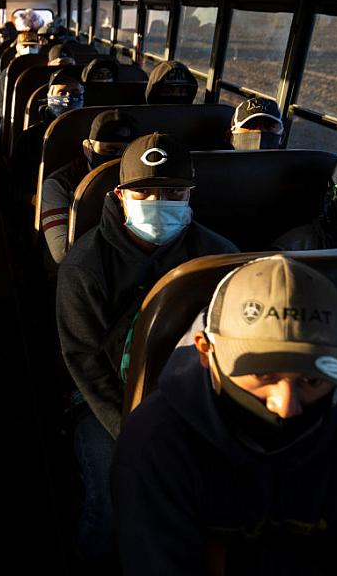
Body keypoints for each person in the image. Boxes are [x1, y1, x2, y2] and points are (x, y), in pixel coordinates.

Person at [112, 255, 337, 575]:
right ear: (206, 351)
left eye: (312, 380)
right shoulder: (156, 444)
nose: (286, 406)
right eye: (264, 376)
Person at [56, 133, 237, 563]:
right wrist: (133, 430)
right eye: (145, 191)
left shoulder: (219, 256)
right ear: (121, 196)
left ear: (191, 194)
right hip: (105, 401)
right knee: (114, 496)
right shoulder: (84, 266)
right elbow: (83, 360)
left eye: (173, 191)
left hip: (197, 397)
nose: (159, 201)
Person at [41, 110, 138, 264]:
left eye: (126, 152)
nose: (118, 159)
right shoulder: (59, 184)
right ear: (88, 148)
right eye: (110, 151)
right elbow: (62, 253)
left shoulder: (142, 182)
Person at [12, 67, 85, 193]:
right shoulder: (30, 137)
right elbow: (18, 185)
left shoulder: (91, 132)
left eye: (75, 92)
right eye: (62, 93)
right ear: (49, 96)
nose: (69, 98)